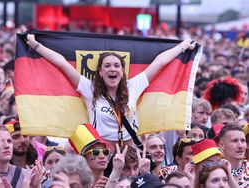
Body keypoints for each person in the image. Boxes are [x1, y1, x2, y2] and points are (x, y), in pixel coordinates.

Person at [26, 34, 195, 146]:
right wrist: (35, 45)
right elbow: (62, 63)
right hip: (100, 151)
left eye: (116, 65)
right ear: (100, 72)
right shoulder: (89, 88)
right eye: (107, 66)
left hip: (129, 150)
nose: (112, 69)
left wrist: (183, 46)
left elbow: (159, 62)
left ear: (122, 71)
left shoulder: (133, 86)